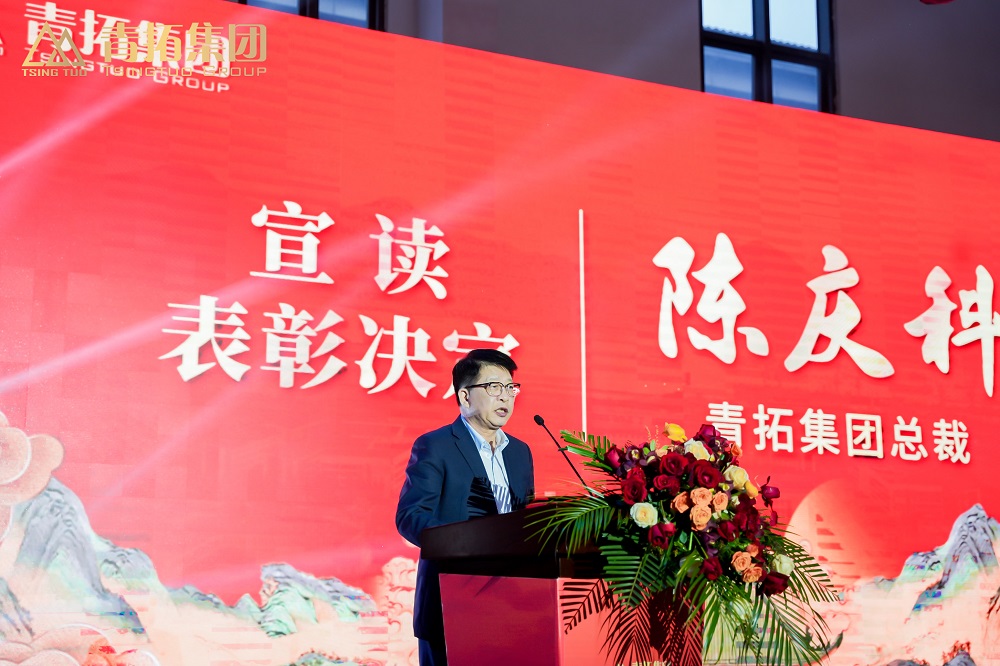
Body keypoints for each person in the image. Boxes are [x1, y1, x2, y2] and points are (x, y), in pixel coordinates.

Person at [396, 349, 535, 666]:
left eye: (510, 387)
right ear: (465, 396)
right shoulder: (436, 445)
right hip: (451, 602)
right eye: (494, 387)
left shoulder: (520, 452)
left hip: (512, 608)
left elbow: (523, 523)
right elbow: (411, 516)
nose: (506, 396)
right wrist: (467, 542)